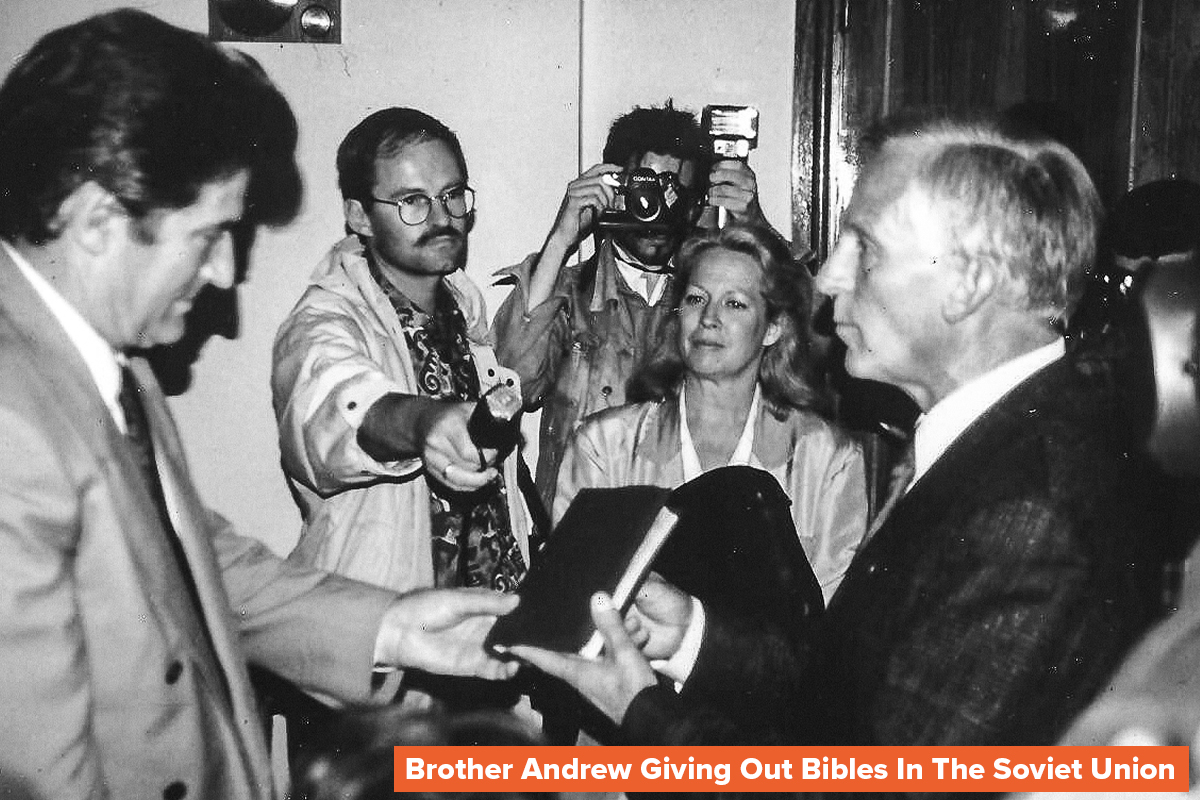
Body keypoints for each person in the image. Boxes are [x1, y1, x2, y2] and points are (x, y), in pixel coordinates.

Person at [512, 110, 1169, 755]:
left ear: (967, 282)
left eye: (867, 250)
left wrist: (643, 712)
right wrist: (695, 637)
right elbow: (848, 689)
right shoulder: (984, 443)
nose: (827, 279)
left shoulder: (1034, 512)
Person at [0, 12, 517, 800]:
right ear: (99, 220)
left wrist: (391, 626)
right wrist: (421, 424)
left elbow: (193, 565)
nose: (224, 275)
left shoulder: (113, 370)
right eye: (210, 236)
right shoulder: (11, 419)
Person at [272, 108, 536, 600]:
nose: (442, 218)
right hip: (384, 642)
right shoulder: (324, 323)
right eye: (412, 201)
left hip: (486, 625)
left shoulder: (463, 311)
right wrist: (424, 425)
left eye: (452, 195)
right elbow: (337, 408)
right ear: (358, 216)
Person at [554, 223, 867, 604]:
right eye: (696, 299)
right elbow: (573, 603)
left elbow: (830, 623)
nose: (708, 318)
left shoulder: (827, 457)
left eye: (734, 303)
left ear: (773, 328)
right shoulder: (603, 446)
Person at [492, 101, 776, 510]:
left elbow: (805, 361)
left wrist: (754, 231)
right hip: (580, 534)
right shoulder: (567, 294)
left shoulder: (708, 307)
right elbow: (508, 385)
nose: (655, 208)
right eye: (644, 189)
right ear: (614, 188)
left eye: (674, 192)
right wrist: (560, 238)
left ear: (697, 202)